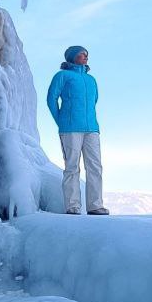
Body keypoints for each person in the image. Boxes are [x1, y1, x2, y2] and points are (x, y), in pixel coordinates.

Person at [46, 45, 109, 216]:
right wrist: (61, 120)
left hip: (92, 129)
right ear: (72, 57)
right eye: (82, 54)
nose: (86, 57)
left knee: (95, 166)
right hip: (70, 128)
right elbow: (51, 98)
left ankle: (95, 205)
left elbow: (94, 100)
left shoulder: (91, 80)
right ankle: (72, 206)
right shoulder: (62, 76)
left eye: (87, 54)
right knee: (72, 167)